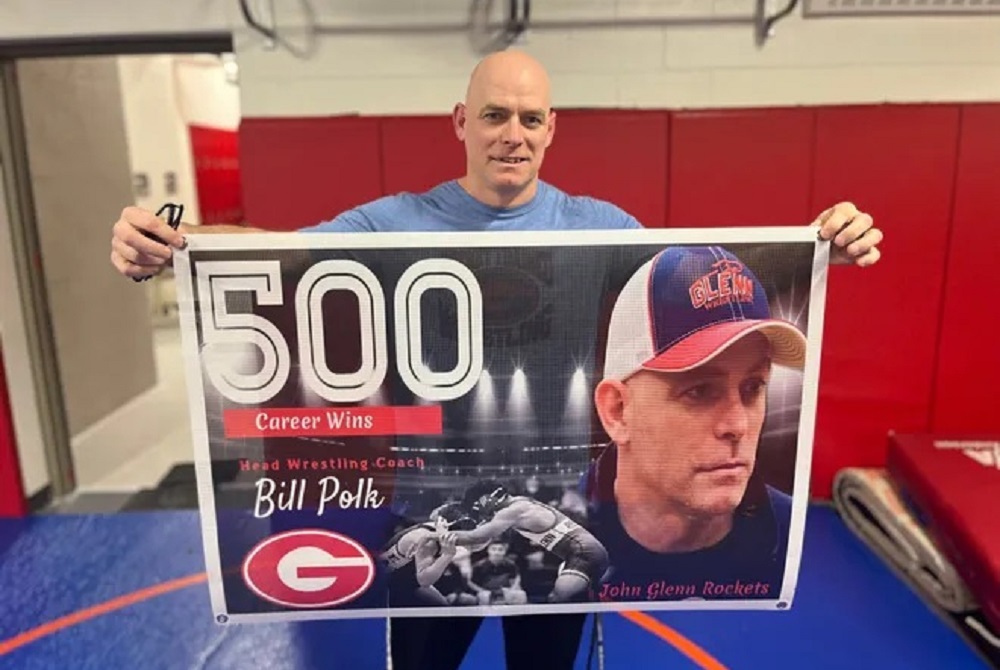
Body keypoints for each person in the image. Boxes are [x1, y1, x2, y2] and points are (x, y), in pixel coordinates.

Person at [108, 48, 884, 670]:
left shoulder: (602, 227)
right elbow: (282, 253)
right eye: (494, 114)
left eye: (530, 117)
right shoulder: (393, 223)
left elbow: (704, 288)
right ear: (460, 122)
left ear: (552, 130)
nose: (513, 132)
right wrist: (175, 250)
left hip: (566, 516)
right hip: (431, 515)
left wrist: (821, 247)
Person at [587, 244, 809, 602]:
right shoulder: (554, 538)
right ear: (617, 411)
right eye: (699, 391)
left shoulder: (795, 536)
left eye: (753, 387)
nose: (737, 425)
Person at [441, 479, 610, 603]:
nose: (479, 509)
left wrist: (434, 535)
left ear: (489, 499)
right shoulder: (517, 504)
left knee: (557, 598)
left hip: (585, 553)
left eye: (479, 503)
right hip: (578, 553)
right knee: (562, 600)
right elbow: (481, 541)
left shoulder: (513, 511)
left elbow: (477, 536)